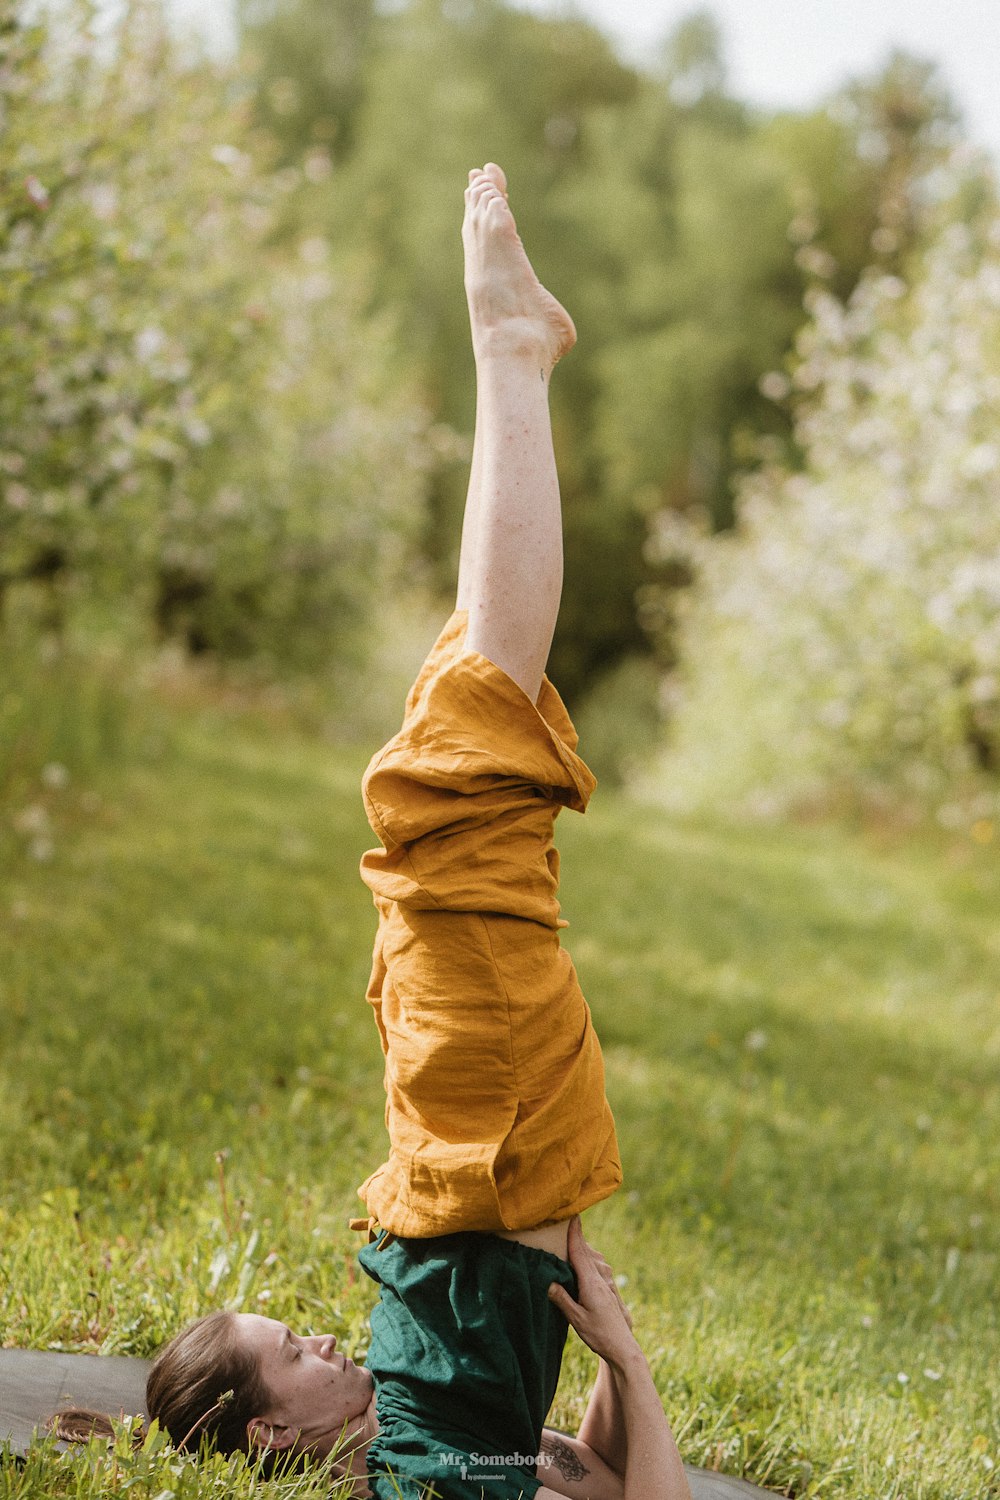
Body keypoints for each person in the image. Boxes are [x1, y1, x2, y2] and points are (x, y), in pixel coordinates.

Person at [52, 165, 691, 1500]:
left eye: (293, 1333)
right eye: (293, 1346)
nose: (319, 1331)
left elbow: (567, 1473)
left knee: (442, 752)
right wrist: (624, 1367)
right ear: (282, 1431)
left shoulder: (409, 1444)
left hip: (457, 1154)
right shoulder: (416, 1477)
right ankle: (511, 356)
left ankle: (514, 362)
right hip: (492, 1149)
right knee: (453, 775)